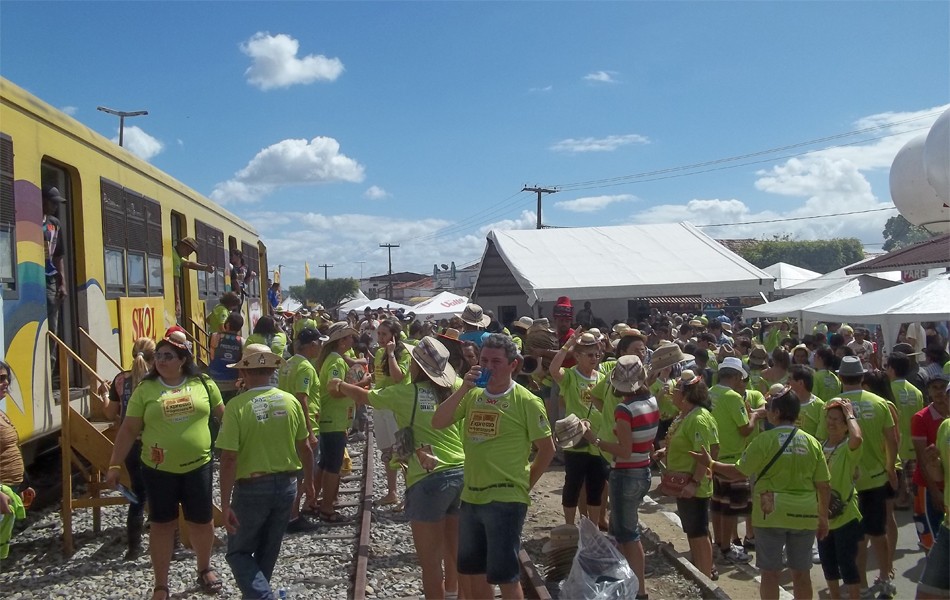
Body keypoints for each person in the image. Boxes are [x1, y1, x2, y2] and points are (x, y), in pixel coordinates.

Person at [334, 336, 465, 600]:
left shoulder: (406, 393)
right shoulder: (458, 387)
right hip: (461, 471)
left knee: (430, 563)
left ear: (416, 366)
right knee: (456, 552)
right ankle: (454, 595)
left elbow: (365, 396)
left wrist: (340, 385)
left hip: (427, 477)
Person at [432, 334, 555, 600]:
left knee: (504, 574)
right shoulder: (473, 395)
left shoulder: (526, 401)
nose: (489, 366)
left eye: (496, 361)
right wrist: (463, 388)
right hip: (472, 495)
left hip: (505, 497)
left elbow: (547, 449)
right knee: (473, 572)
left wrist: (524, 485)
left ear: (513, 365)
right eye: (484, 360)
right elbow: (438, 421)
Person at [106, 330, 225, 600]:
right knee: (161, 525)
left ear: (183, 359)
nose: (160, 360)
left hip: (199, 466)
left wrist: (237, 451)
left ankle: (204, 568)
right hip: (159, 470)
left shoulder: (204, 383)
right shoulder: (146, 389)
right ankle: (161, 584)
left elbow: (224, 417)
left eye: (167, 356)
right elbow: (127, 430)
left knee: (202, 522)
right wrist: (114, 465)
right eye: (158, 355)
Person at [692, 387, 831, 600]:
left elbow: (738, 471)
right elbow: (823, 485)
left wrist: (710, 463)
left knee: (770, 574)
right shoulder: (812, 443)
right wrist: (823, 518)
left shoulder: (764, 440)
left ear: (775, 413)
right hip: (805, 513)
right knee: (802, 574)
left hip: (770, 512)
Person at [217, 345, 314, 600]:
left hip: (251, 487)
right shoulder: (290, 400)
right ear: (272, 370)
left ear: (244, 372)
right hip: (286, 486)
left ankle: (263, 597)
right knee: (268, 551)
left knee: (238, 552)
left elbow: (228, 458)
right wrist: (310, 483)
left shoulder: (237, 406)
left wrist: (224, 502)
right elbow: (305, 447)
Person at [817, 355, 898, 599]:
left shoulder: (832, 404)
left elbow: (824, 441)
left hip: (845, 483)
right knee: (878, 531)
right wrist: (891, 468)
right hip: (875, 477)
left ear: (840, 377)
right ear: (862, 377)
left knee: (856, 536)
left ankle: (860, 584)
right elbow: (892, 440)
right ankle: (884, 576)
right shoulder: (879, 402)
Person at [580, 355, 656, 600]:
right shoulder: (651, 400)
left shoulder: (625, 409)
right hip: (642, 469)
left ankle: (639, 591)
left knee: (628, 534)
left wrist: (596, 440)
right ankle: (628, 584)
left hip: (625, 471)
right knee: (621, 529)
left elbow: (624, 449)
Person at [657, 370, 718, 579]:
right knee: (693, 531)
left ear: (685, 395)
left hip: (694, 486)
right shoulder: (685, 416)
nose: (671, 395)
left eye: (675, 391)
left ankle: (705, 576)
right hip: (684, 484)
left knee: (699, 533)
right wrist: (666, 451)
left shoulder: (698, 419)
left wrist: (694, 482)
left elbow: (705, 455)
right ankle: (701, 571)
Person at [549, 329, 608, 526]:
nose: (594, 358)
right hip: (575, 437)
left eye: (597, 354)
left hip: (597, 438)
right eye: (589, 355)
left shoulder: (601, 377)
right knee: (573, 482)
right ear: (577, 356)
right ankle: (569, 525)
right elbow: (553, 369)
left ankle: (593, 526)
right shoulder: (571, 376)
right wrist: (567, 345)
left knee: (596, 485)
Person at [103, 338, 155, 560]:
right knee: (164, 493)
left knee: (138, 494)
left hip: (131, 443)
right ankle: (173, 546)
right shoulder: (158, 379)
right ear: (155, 357)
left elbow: (109, 413)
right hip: (156, 440)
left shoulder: (119, 380)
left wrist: (103, 395)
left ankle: (134, 548)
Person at [709, 356, 762, 564]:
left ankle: (719, 544)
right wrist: (756, 416)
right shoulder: (732, 396)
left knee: (718, 505)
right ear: (737, 376)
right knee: (730, 508)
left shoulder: (711, 392)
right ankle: (725, 547)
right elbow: (745, 429)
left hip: (715, 457)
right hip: (732, 459)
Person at [278, 327, 326, 530]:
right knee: (300, 473)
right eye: (320, 343)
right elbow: (302, 398)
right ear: (313, 345)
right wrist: (310, 430)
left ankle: (290, 513)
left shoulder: (288, 364)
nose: (321, 347)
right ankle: (293, 516)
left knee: (293, 471)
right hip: (304, 425)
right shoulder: (306, 367)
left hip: (288, 422)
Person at [817, 399, 864, 600]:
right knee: (828, 563)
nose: (832, 423)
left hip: (845, 515)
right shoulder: (818, 446)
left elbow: (857, 439)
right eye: (829, 418)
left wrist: (850, 413)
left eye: (837, 419)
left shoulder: (847, 448)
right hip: (823, 516)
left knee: (847, 563)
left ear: (846, 425)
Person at [314, 322, 359, 522]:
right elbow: (334, 389)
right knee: (333, 465)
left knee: (325, 463)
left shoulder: (333, 358)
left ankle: (315, 501)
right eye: (350, 337)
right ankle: (326, 507)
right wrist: (361, 385)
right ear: (342, 341)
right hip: (334, 418)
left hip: (333, 418)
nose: (353, 340)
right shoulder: (336, 361)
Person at [373, 319, 412, 507]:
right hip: (381, 404)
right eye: (378, 333)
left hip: (396, 407)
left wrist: (391, 354)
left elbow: (398, 378)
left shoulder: (403, 353)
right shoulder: (378, 352)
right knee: (387, 451)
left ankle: (408, 495)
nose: (379, 338)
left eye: (384, 334)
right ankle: (392, 492)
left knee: (402, 451)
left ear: (394, 336)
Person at [910, 373, 949, 553]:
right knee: (930, 538)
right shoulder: (921, 418)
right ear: (928, 392)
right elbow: (922, 457)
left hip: (947, 485)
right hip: (928, 486)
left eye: (943, 387)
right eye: (935, 388)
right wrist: (934, 491)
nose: (940, 392)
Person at [915, 411, 950, 599]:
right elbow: (941, 476)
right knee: (926, 594)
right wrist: (934, 464)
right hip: (948, 528)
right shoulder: (946, 428)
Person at [42, 186, 67, 366]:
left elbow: (58, 255)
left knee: (52, 325)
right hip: (31, 277)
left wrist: (62, 281)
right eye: (53, 202)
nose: (55, 206)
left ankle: (50, 368)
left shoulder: (55, 224)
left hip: (49, 277)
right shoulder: (29, 218)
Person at [173, 236, 215, 323]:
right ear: (181, 245)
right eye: (188, 251)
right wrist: (177, 301)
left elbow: (189, 263)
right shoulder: (173, 256)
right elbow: (175, 280)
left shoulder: (176, 255)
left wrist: (205, 268)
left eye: (190, 252)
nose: (188, 254)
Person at [208, 312, 244, 404]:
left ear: (227, 324)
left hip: (215, 381)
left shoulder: (214, 336)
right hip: (233, 384)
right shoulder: (242, 342)